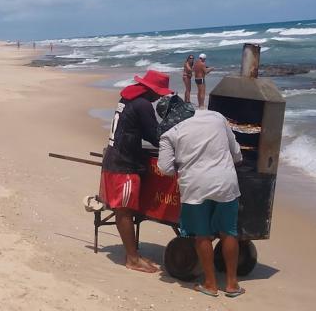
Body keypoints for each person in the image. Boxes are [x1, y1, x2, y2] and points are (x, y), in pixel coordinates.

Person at [157, 96, 245, 298]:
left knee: (202, 235)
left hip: (195, 186)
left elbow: (166, 169)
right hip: (226, 182)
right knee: (228, 232)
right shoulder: (216, 117)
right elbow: (236, 152)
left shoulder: (170, 134)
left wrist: (183, 161)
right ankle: (232, 285)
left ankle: (210, 284)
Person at [99, 69, 171, 273]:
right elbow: (154, 135)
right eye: (159, 93)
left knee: (124, 210)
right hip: (124, 164)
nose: (159, 97)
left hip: (115, 158)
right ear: (154, 91)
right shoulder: (143, 104)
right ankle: (132, 258)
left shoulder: (128, 98)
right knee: (124, 210)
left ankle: (133, 254)